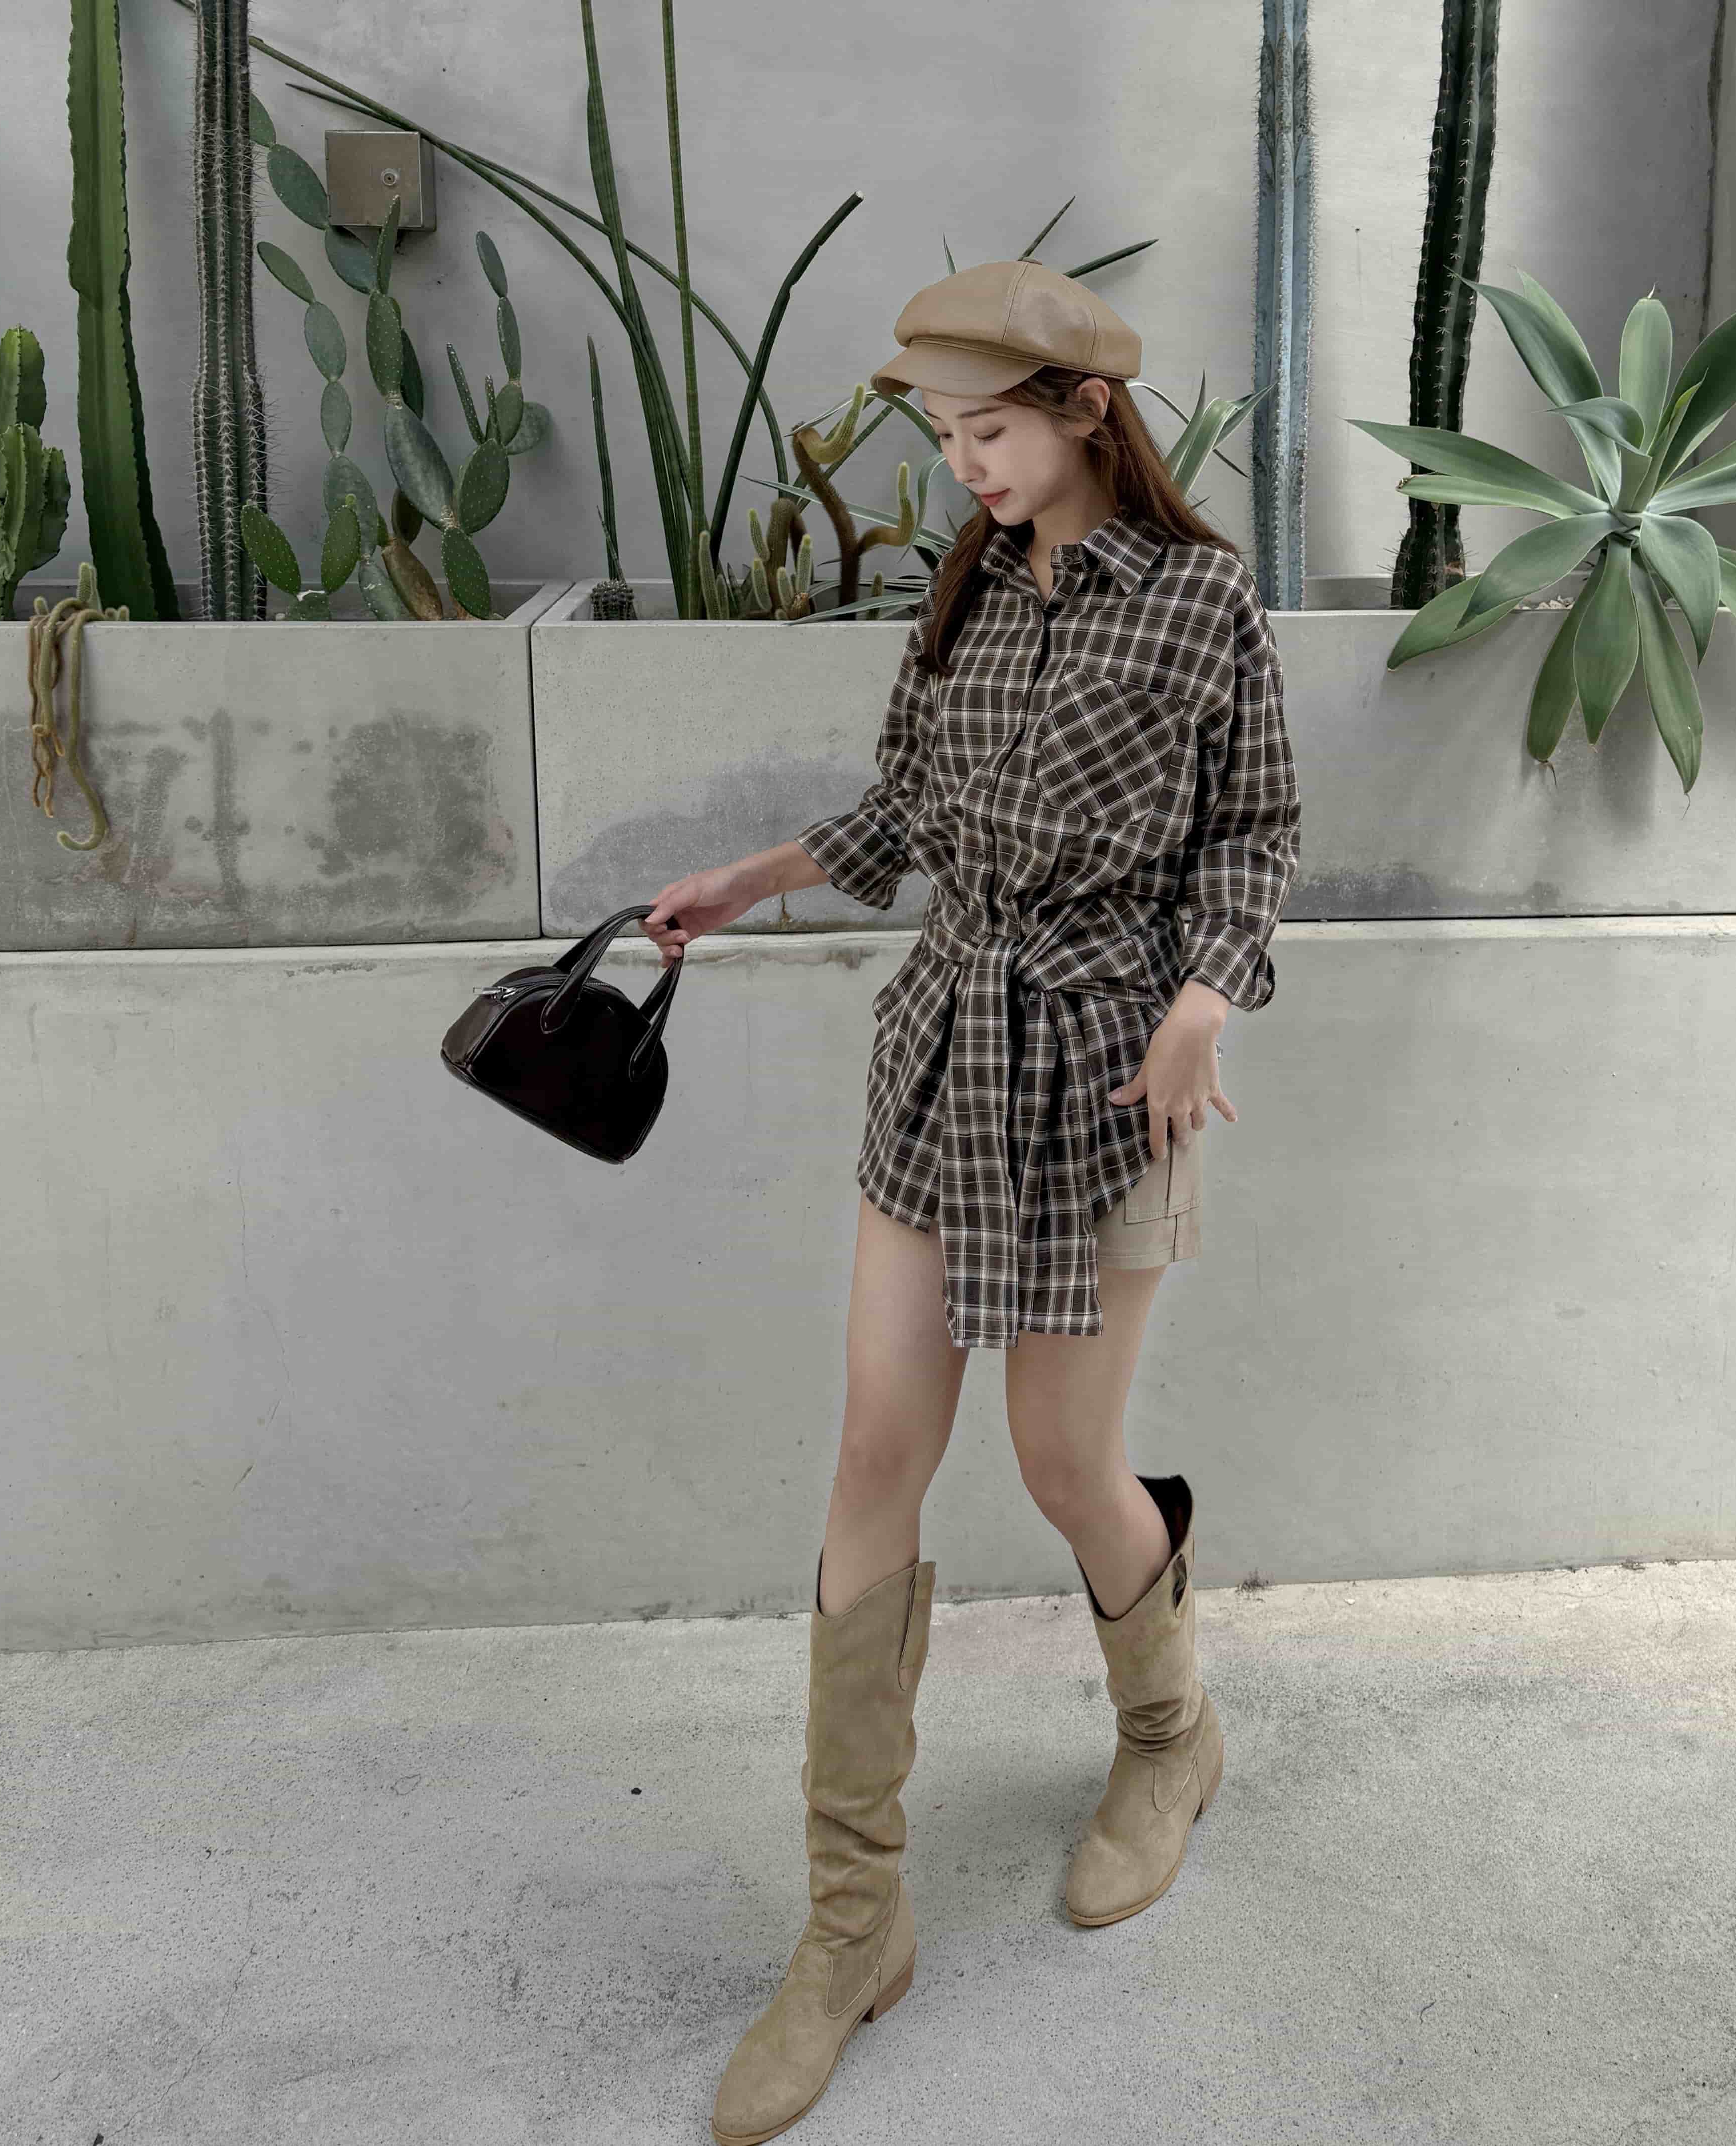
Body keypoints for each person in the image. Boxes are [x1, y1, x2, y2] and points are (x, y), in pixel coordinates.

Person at [639, 258, 1302, 2145]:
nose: (964, 468)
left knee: (1062, 1462)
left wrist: (1203, 998)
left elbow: (1254, 831)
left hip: (1113, 1067)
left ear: (1086, 411)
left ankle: (1169, 1736)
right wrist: (749, 878)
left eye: (989, 430)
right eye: (944, 437)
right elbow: (906, 815)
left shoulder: (1199, 601)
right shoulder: (966, 594)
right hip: (945, 1046)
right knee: (873, 1450)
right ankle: (853, 1917)